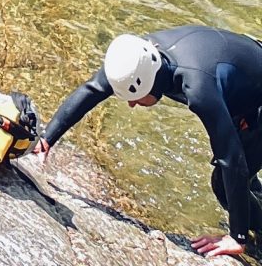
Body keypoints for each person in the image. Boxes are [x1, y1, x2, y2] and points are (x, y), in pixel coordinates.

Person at [37, 27, 262, 259]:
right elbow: (92, 89)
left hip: (254, 89)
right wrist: (46, 139)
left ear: (146, 84)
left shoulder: (198, 87)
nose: (131, 105)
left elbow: (231, 158)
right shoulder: (136, 57)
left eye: (134, 98)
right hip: (247, 78)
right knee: (245, 170)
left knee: (223, 183)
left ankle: (255, 236)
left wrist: (237, 237)